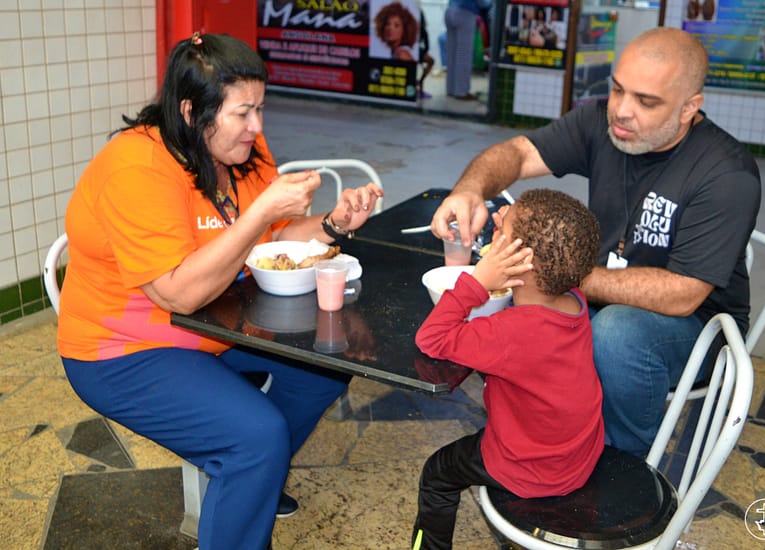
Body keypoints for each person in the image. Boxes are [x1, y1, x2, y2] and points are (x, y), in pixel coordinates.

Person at [57, 32, 383, 550]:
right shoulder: (136, 166)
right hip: (126, 350)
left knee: (326, 367)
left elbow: (274, 238)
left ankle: (254, 480)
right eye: (243, 113)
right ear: (191, 112)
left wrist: (334, 224)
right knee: (255, 436)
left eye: (260, 109)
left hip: (221, 327)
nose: (257, 127)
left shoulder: (242, 148)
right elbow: (178, 294)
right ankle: (253, 466)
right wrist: (260, 213)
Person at [429, 27, 761, 457]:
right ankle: (541, 432)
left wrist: (558, 273)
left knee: (614, 332)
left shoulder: (726, 173)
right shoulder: (601, 123)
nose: (621, 111)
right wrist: (470, 189)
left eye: (646, 101)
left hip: (699, 326)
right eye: (618, 89)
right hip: (598, 292)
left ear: (689, 109)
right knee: (500, 307)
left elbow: (683, 294)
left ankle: (623, 465)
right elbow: (519, 152)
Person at [412, 189, 605, 550]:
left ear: (522, 260)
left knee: (437, 473)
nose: (497, 218)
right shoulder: (574, 301)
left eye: (505, 225)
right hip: (577, 454)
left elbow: (432, 339)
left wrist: (477, 283)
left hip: (531, 468)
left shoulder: (510, 334)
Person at [444, 0, 491, 100]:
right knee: (464, 55)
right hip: (465, 14)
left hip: (449, 11)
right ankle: (461, 92)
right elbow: (483, 3)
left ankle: (451, 90)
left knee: (451, 55)